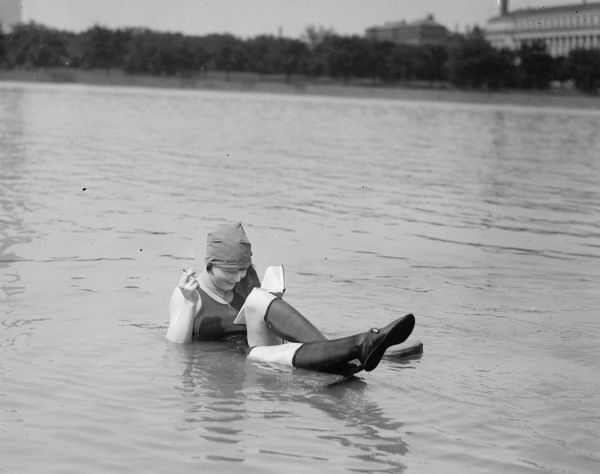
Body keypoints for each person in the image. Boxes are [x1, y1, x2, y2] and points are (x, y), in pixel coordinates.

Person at [166, 221, 415, 374]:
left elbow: (261, 321)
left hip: (257, 346)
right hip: (241, 357)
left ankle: (357, 347)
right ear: (210, 264)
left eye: (242, 269)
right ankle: (358, 346)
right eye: (230, 271)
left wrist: (273, 299)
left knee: (257, 299)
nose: (238, 278)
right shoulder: (190, 292)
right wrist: (188, 303)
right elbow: (176, 347)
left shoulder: (246, 278)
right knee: (265, 355)